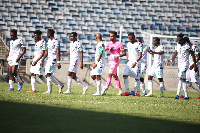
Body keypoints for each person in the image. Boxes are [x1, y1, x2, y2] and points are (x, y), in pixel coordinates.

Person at [169, 34, 197, 99]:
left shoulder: (187, 45)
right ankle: (186, 95)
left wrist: (195, 65)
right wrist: (171, 60)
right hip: (179, 65)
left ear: (182, 39)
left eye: (180, 40)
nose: (178, 41)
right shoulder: (177, 45)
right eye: (177, 40)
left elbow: (193, 55)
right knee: (183, 80)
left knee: (180, 78)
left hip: (185, 64)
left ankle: (177, 94)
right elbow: (175, 53)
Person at [101, 31, 126, 96]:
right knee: (114, 76)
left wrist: (117, 55)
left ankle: (105, 89)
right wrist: (104, 46)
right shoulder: (109, 44)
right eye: (110, 36)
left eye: (112, 36)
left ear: (115, 36)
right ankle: (121, 90)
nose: (110, 37)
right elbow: (104, 50)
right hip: (110, 61)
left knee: (109, 74)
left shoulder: (119, 44)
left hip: (115, 61)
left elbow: (124, 53)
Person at [41, 29, 64, 94]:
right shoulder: (49, 41)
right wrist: (42, 59)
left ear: (49, 34)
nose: (46, 35)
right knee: (47, 74)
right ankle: (60, 84)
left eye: (47, 33)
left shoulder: (56, 41)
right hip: (49, 59)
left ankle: (49, 91)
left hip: (53, 59)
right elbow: (46, 51)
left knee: (48, 74)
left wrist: (59, 62)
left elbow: (58, 51)